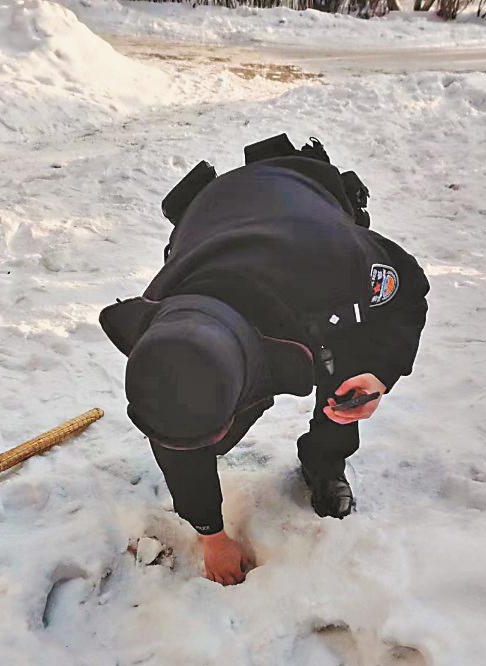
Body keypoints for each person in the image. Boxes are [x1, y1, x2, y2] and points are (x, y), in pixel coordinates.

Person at [100, 135, 429, 586]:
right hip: (216, 210)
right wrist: (210, 535)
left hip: (305, 204)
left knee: (346, 370)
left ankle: (324, 461)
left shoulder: (346, 267)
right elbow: (175, 442)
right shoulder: (165, 309)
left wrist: (381, 374)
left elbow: (409, 292)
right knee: (196, 421)